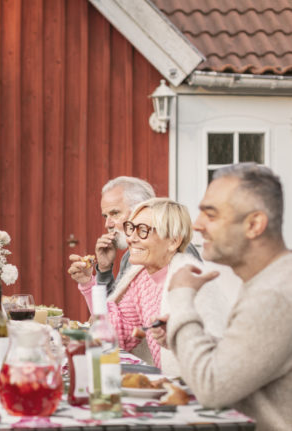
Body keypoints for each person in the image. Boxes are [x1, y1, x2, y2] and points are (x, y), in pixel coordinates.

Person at [165, 163, 292, 430]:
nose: (197, 225)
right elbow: (248, 358)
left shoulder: (273, 294)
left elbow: (212, 387)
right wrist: (189, 334)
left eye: (211, 215)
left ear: (254, 224)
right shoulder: (273, 279)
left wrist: (181, 297)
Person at [75, 198, 229, 374]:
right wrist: (88, 283)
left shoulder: (190, 280)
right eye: (131, 228)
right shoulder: (141, 277)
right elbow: (119, 331)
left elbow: (217, 355)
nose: (131, 238)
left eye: (143, 230)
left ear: (173, 241)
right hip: (169, 383)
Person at [68, 176, 201, 295]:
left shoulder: (176, 249)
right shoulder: (130, 256)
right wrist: (104, 269)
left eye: (115, 213)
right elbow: (115, 313)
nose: (107, 224)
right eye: (105, 216)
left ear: (141, 210)